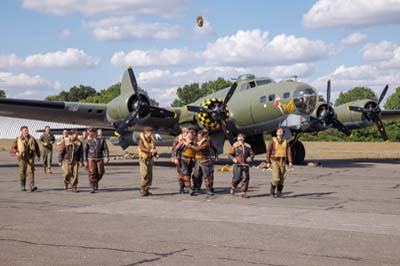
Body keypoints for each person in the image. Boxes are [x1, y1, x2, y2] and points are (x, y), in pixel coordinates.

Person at [188, 129, 217, 196]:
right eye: (198, 136)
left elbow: (198, 149)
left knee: (207, 176)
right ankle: (196, 187)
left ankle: (208, 189)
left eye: (200, 136)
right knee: (196, 175)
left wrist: (215, 156)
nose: (199, 137)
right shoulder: (195, 140)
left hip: (205, 161)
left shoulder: (206, 141)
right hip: (198, 160)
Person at [11, 126, 41, 192]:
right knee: (22, 172)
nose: (26, 132)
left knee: (31, 171)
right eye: (24, 131)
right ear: (21, 131)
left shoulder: (32, 138)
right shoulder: (18, 139)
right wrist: (16, 152)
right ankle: (22, 185)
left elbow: (36, 147)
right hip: (22, 158)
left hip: (30, 156)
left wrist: (38, 156)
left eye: (27, 130)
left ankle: (31, 185)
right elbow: (13, 147)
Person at [266, 128, 293, 198]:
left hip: (283, 161)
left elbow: (288, 152)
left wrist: (290, 162)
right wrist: (268, 162)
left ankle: (279, 192)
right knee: (276, 178)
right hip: (274, 160)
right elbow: (268, 152)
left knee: (282, 178)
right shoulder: (272, 141)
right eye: (279, 131)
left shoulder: (286, 142)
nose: (280, 132)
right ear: (276, 133)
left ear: (283, 133)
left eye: (282, 131)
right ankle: (272, 191)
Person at [83, 128, 109, 193]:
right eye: (89, 132)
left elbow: (105, 149)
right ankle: (92, 186)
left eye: (91, 132)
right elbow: (85, 151)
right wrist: (85, 160)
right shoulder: (87, 141)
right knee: (92, 172)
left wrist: (107, 157)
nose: (89, 134)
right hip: (91, 158)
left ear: (94, 133)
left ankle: (95, 182)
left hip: (100, 158)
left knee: (101, 172)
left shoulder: (102, 140)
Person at [228, 133, 254, 198]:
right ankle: (233, 187)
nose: (240, 139)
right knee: (237, 178)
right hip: (237, 165)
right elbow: (229, 154)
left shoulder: (248, 146)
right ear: (237, 139)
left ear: (244, 139)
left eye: (242, 137)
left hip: (245, 165)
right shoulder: (234, 146)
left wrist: (250, 158)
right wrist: (233, 159)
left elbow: (252, 154)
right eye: (239, 137)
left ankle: (244, 192)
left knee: (246, 178)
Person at [138, 127, 158, 196]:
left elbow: (154, 148)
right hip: (143, 159)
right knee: (145, 175)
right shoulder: (141, 140)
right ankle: (142, 189)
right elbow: (141, 147)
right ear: (146, 132)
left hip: (150, 159)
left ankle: (146, 190)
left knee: (150, 176)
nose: (151, 133)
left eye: (151, 132)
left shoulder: (151, 140)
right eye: (150, 132)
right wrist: (150, 151)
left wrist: (155, 154)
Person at [175, 128, 197, 194]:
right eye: (190, 135)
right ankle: (188, 188)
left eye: (192, 135)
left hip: (191, 159)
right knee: (184, 173)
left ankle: (184, 187)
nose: (191, 137)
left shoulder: (195, 141)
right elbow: (175, 148)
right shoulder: (183, 140)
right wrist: (175, 158)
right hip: (183, 159)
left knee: (189, 173)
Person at [171, 127, 188, 193]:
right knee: (180, 173)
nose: (187, 134)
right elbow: (173, 149)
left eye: (187, 133)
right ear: (183, 133)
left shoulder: (188, 139)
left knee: (187, 173)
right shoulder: (178, 138)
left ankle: (187, 186)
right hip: (179, 158)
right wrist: (174, 158)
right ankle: (181, 187)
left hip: (186, 158)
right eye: (186, 132)